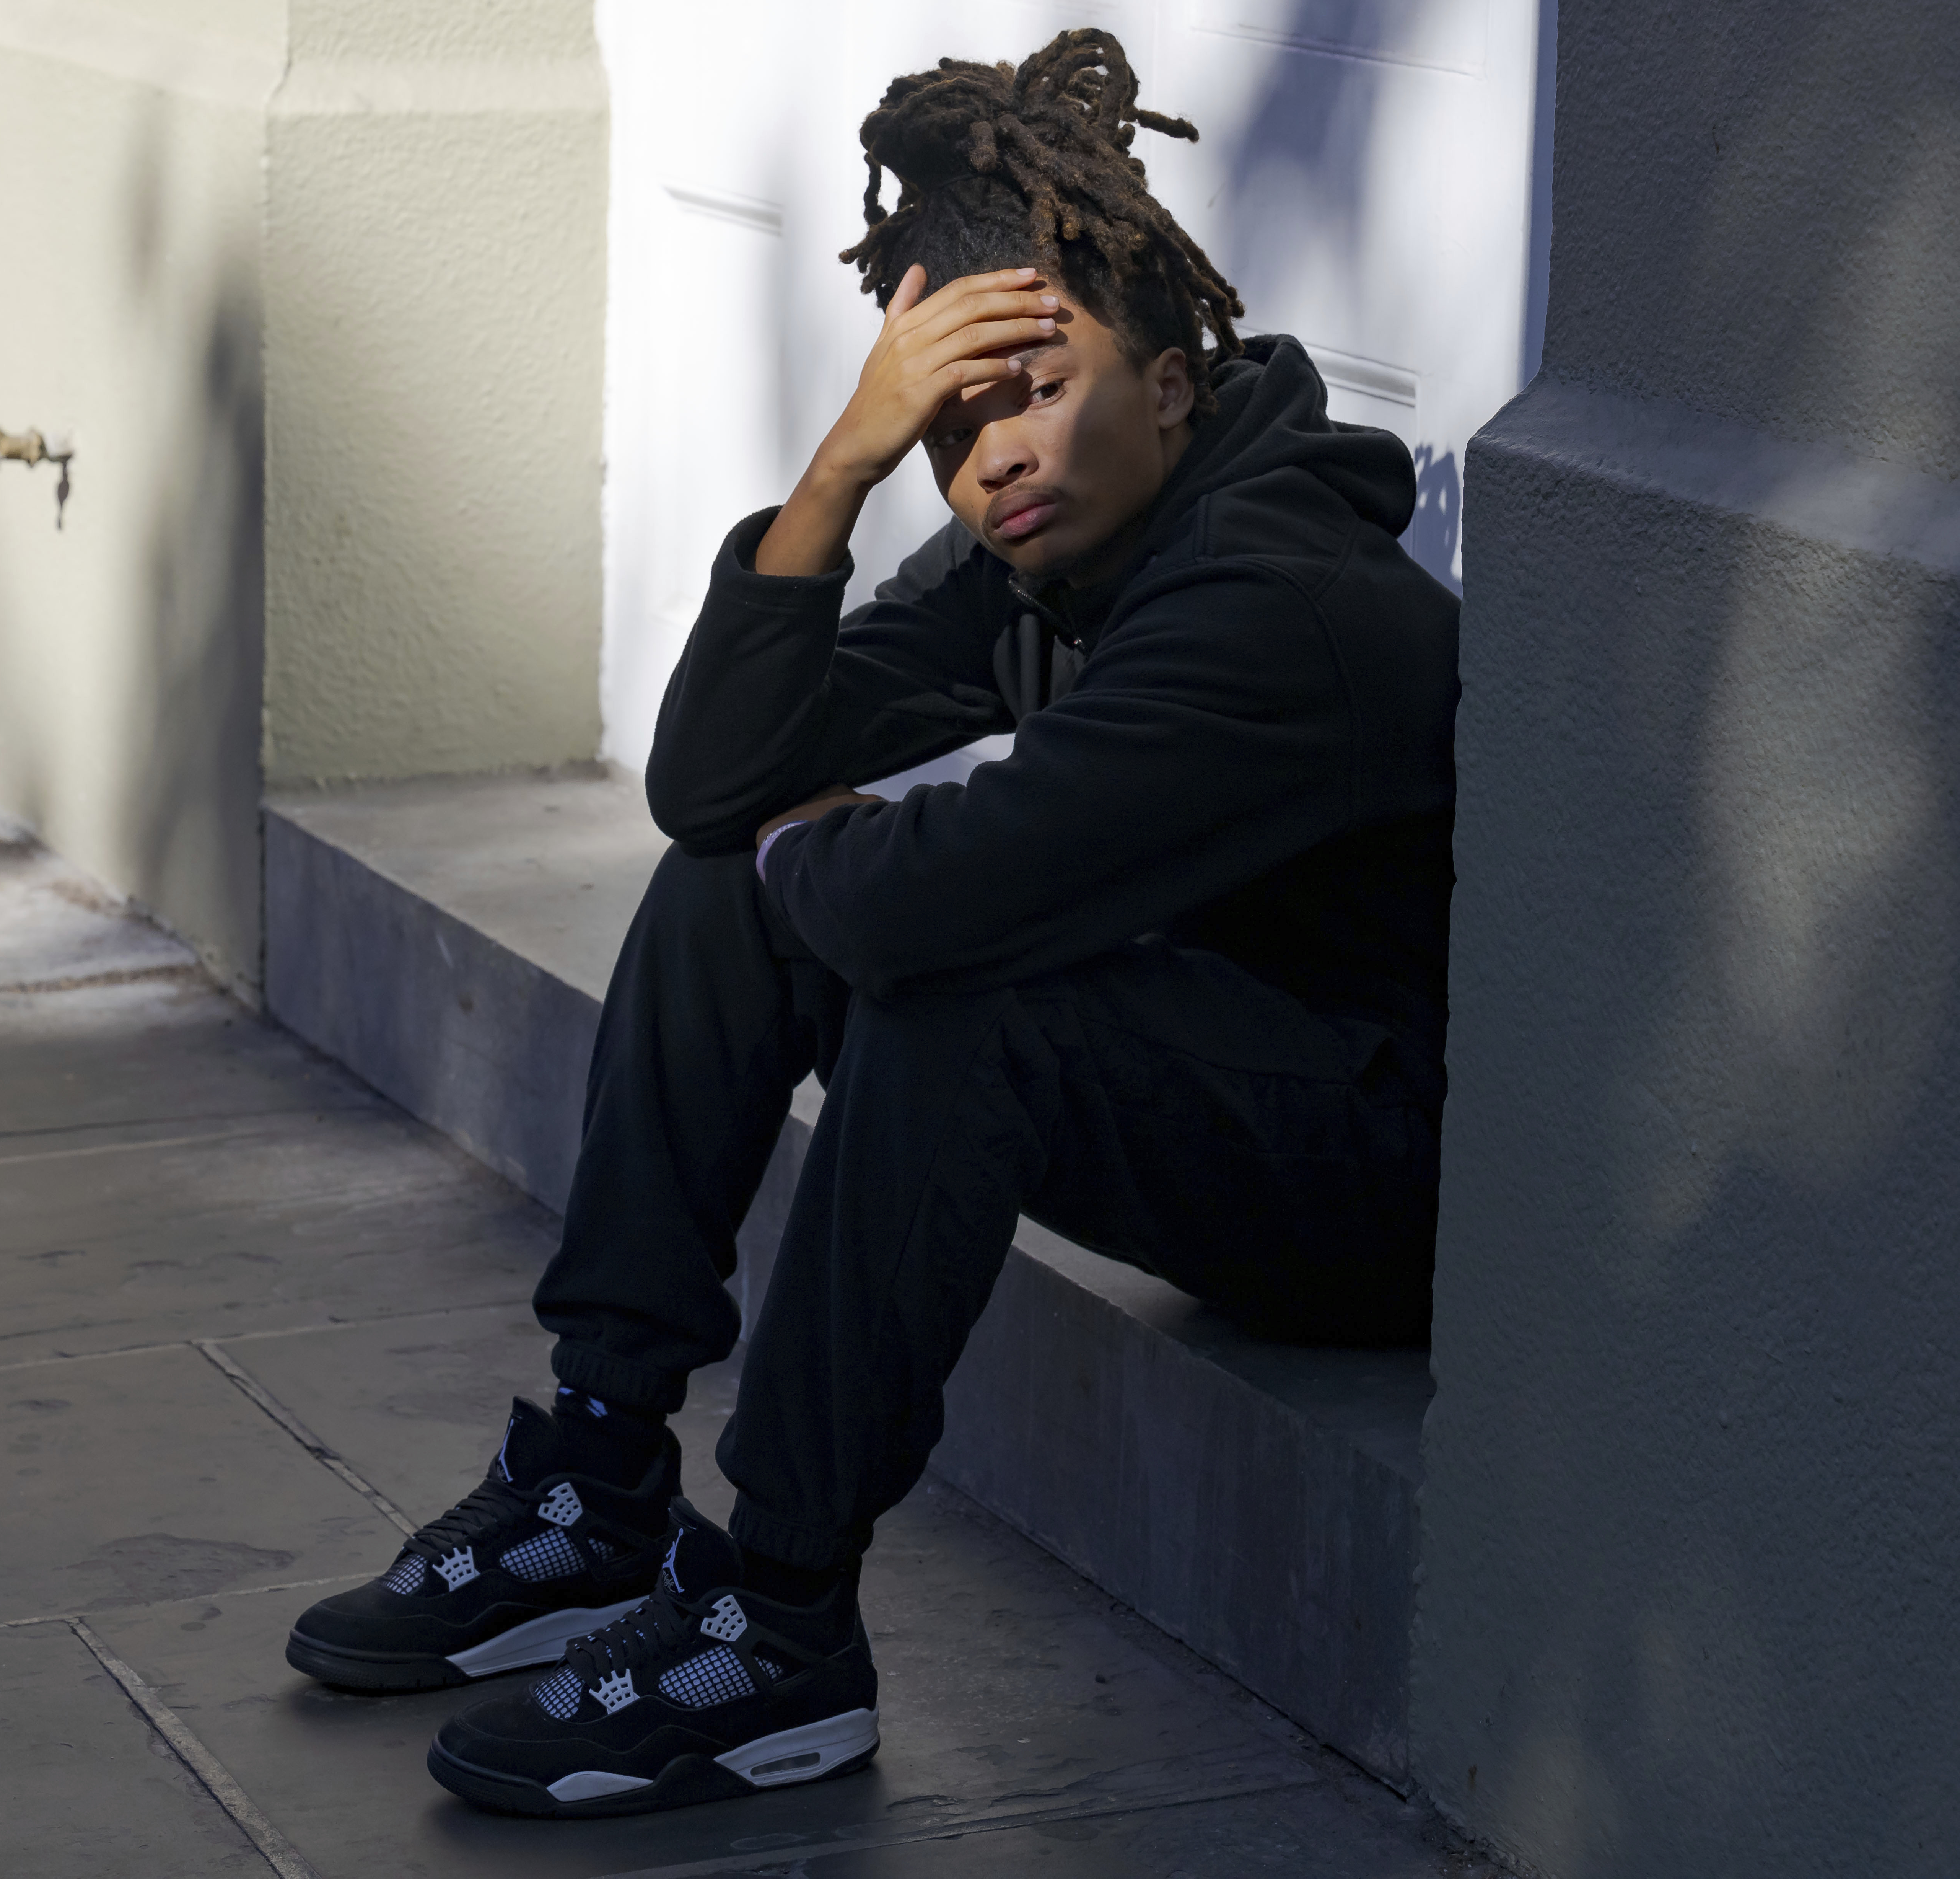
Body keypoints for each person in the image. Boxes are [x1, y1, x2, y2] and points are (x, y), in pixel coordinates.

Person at [284, 28, 1460, 1819]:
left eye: (1036, 390)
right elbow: (713, 787)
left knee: (945, 1000)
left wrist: (812, 855)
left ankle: (778, 1632)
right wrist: (835, 474)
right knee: (724, 886)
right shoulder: (1040, 544)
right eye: (950, 420)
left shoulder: (1276, 609)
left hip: (1372, 1187)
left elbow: (929, 905)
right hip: (1216, 1088)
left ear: (1171, 375)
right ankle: (599, 1477)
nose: (994, 459)